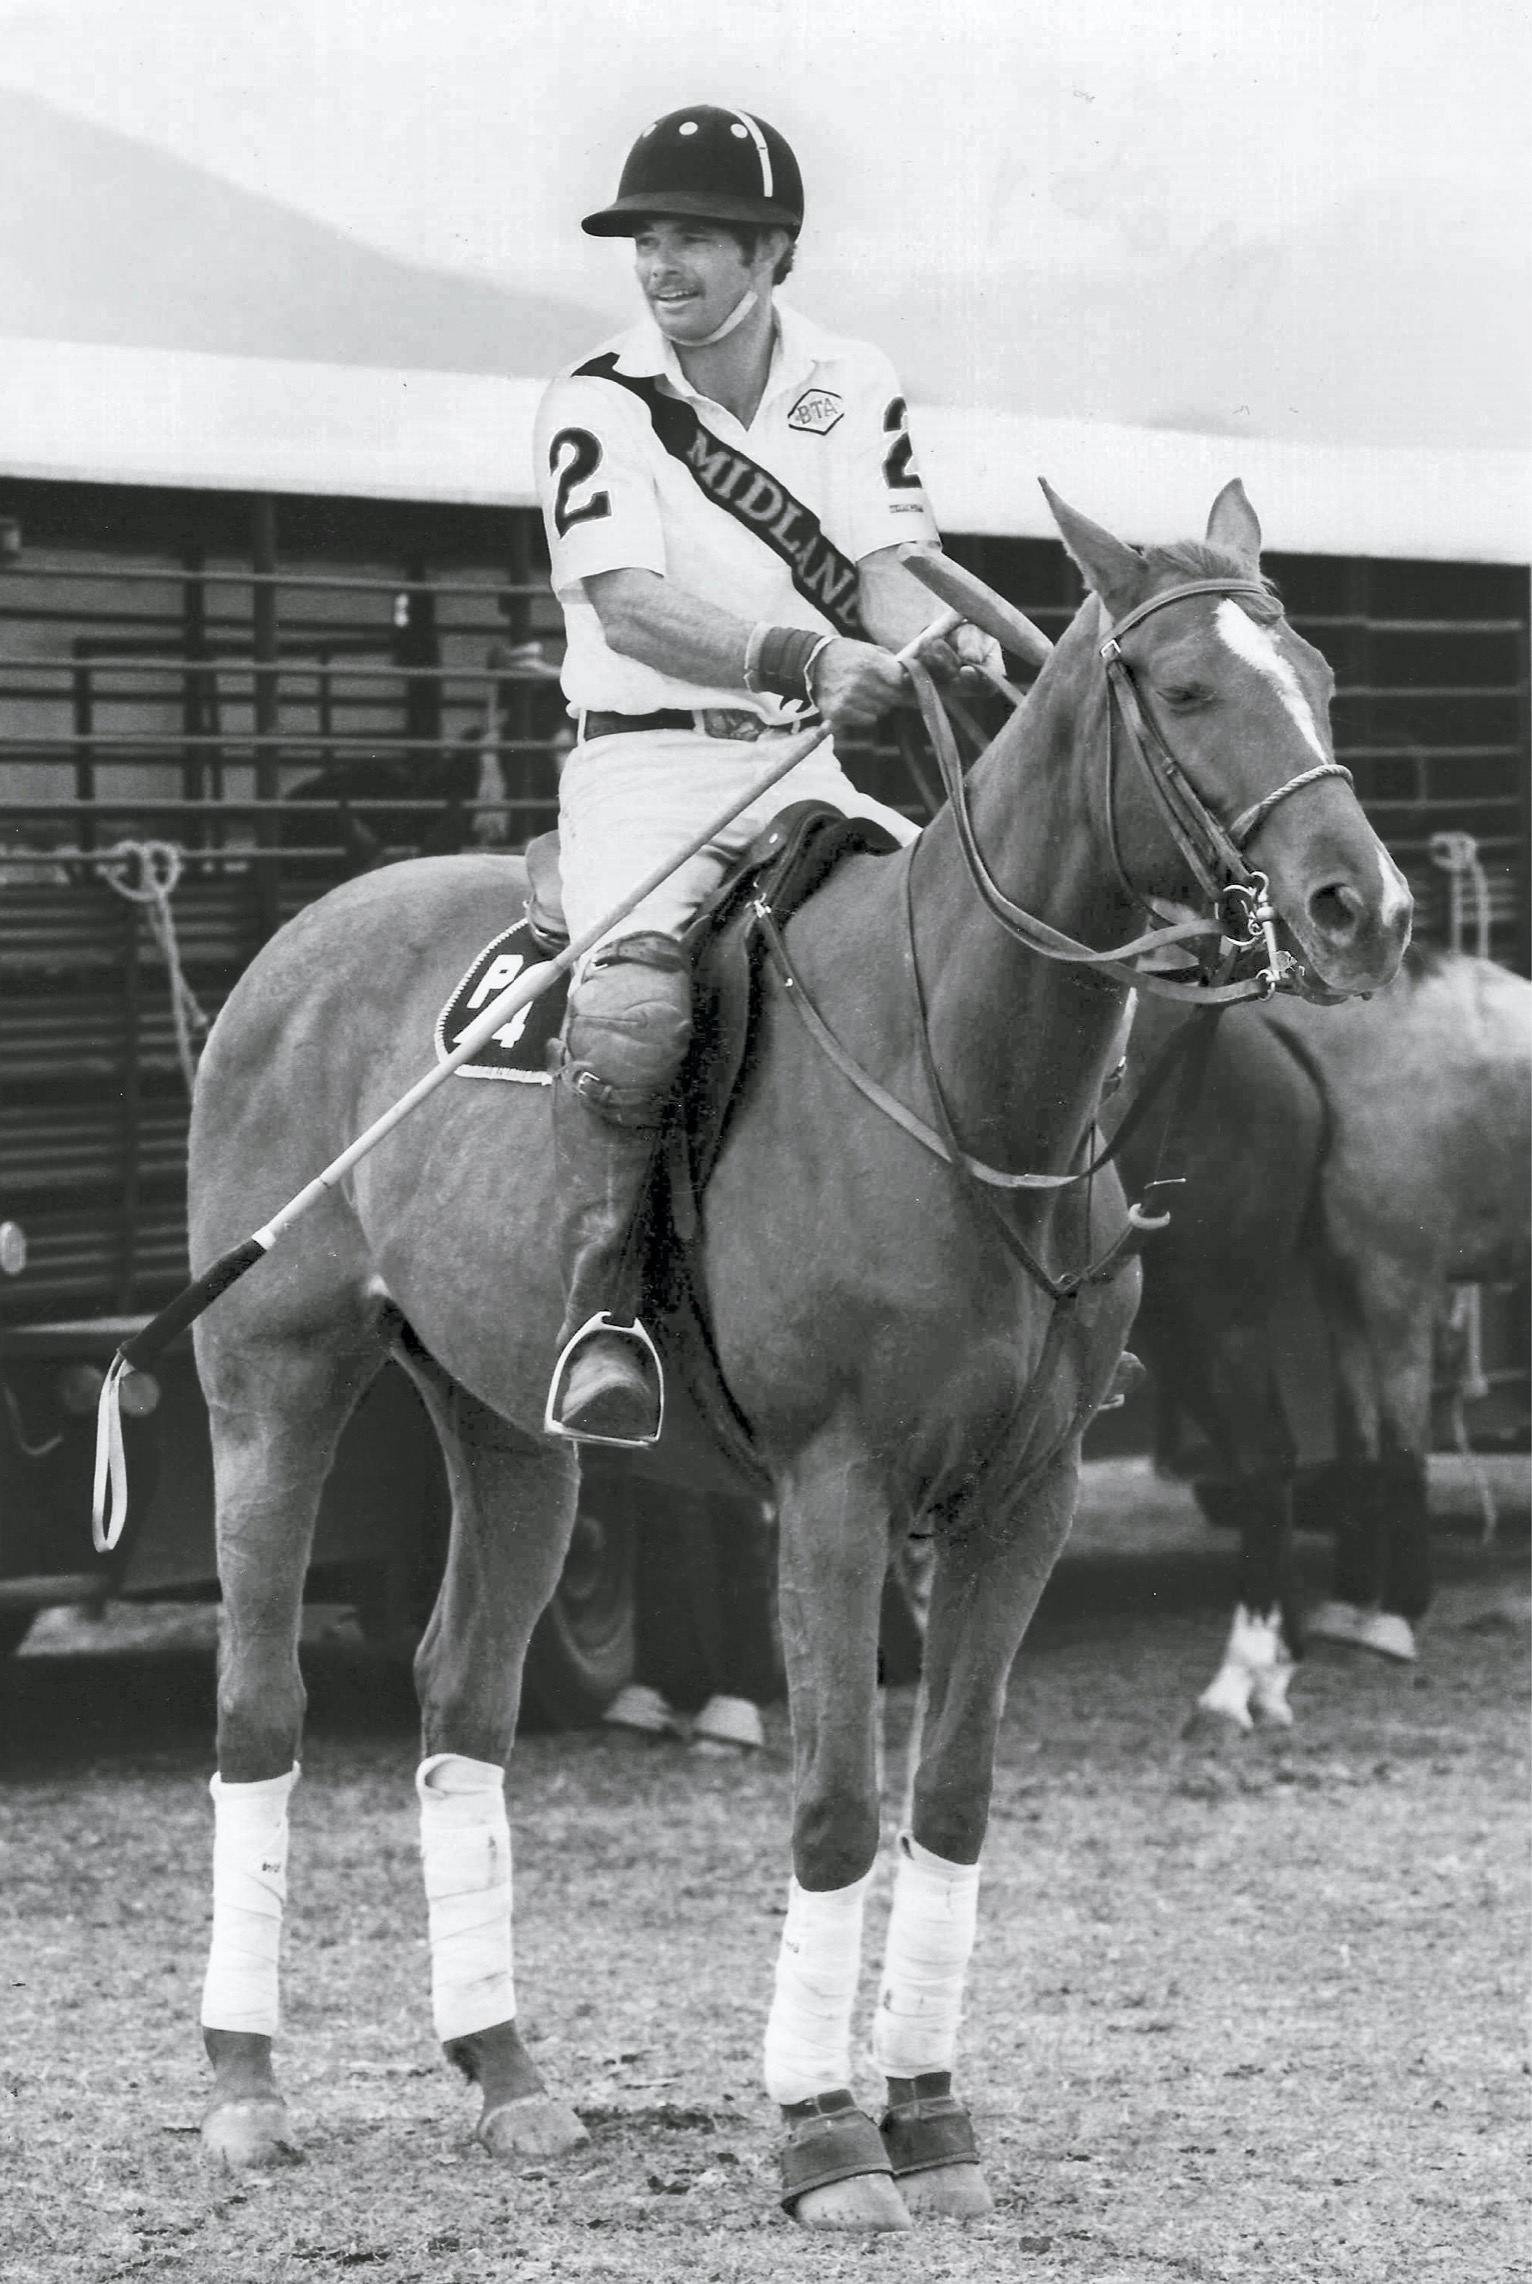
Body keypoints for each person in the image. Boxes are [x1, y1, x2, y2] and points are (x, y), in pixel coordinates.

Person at [533, 103, 997, 1446]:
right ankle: (607, 1308)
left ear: (768, 252)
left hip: (807, 765)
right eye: (646, 241)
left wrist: (940, 647)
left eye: (692, 240)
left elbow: (888, 577)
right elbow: (626, 604)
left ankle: (1020, 1293)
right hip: (645, 773)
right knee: (631, 1022)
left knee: (974, 951)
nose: (661, 266)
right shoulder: (601, 399)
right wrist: (807, 655)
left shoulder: (848, 379)